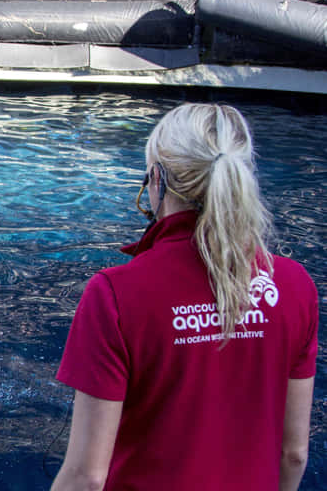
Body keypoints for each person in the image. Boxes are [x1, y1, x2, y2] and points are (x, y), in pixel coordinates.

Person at [51, 103, 318, 491]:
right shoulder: (293, 285)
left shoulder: (114, 294)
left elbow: (86, 477)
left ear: (156, 180)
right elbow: (293, 453)